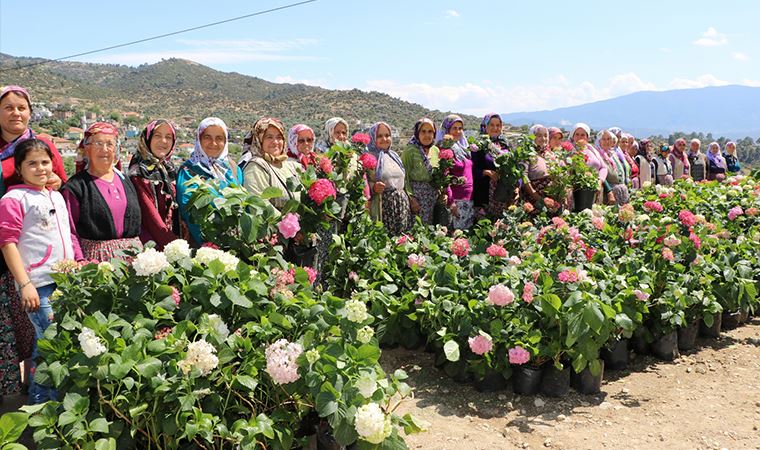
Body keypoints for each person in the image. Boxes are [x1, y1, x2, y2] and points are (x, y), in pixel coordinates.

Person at [0, 85, 67, 396]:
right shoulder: (14, 195)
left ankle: (42, 401)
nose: (16, 112)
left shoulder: (42, 146)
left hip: (39, 256)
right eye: (8, 107)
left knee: (45, 337)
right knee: (32, 334)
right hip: (18, 256)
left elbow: (59, 182)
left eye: (21, 107)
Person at [63, 122, 142, 262]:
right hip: (97, 263)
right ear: (87, 149)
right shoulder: (76, 187)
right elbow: (70, 231)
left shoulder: (126, 181)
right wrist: (81, 261)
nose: (104, 149)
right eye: (98, 143)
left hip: (133, 262)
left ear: (116, 149)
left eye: (110, 144)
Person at [177, 118, 243, 247]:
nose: (213, 143)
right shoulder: (189, 171)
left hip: (236, 244)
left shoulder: (233, 169)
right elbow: (190, 210)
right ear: (199, 140)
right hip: (204, 245)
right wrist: (211, 244)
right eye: (207, 137)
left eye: (219, 138)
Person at [128, 119, 179, 250]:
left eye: (168, 137)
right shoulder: (139, 172)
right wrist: (175, 246)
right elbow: (150, 218)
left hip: (171, 241)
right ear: (148, 138)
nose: (163, 141)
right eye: (157, 136)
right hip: (152, 246)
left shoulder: (169, 170)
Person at [242, 118, 301, 209]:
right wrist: (287, 222)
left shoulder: (290, 166)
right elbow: (259, 205)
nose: (275, 142)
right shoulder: (256, 166)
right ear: (259, 140)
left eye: (279, 137)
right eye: (269, 137)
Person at [366, 122, 410, 235]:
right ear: (372, 137)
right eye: (379, 136)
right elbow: (363, 182)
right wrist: (373, 187)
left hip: (401, 206)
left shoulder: (394, 156)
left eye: (387, 135)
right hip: (383, 206)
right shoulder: (368, 157)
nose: (384, 139)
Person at [401, 118, 439, 225]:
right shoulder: (410, 150)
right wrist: (411, 199)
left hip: (433, 199)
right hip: (417, 200)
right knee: (417, 231)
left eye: (430, 131)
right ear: (417, 133)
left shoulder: (436, 150)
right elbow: (404, 176)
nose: (427, 135)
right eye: (423, 131)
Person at [472, 113, 509, 215]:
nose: (495, 128)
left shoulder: (504, 144)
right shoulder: (478, 146)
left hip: (502, 193)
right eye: (491, 125)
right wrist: (487, 172)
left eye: (498, 125)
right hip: (485, 192)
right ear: (485, 126)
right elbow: (472, 170)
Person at [571, 123, 610, 203]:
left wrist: (600, 181)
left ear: (587, 137)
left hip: (597, 189)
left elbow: (603, 167)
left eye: (583, 135)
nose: (579, 137)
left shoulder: (592, 150)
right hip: (579, 192)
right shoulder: (570, 151)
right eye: (577, 134)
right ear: (573, 136)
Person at [596, 129, 629, 204]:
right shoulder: (598, 155)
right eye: (604, 139)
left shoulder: (612, 154)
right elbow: (600, 175)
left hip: (618, 191)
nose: (607, 141)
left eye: (609, 139)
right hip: (607, 192)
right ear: (599, 141)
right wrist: (609, 191)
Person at [523, 125, 551, 210]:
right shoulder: (527, 154)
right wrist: (536, 196)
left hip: (550, 198)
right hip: (534, 198)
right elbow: (524, 175)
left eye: (545, 135)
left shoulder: (549, 154)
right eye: (539, 135)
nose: (543, 138)